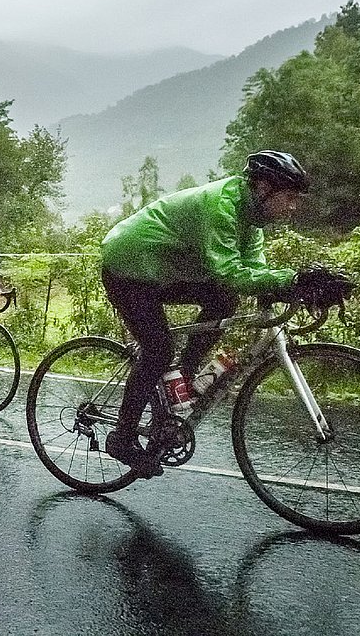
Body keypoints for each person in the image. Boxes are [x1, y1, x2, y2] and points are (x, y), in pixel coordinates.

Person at [99, 150, 310, 477]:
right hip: (129, 265)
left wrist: (297, 286)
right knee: (158, 351)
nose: (294, 207)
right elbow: (229, 272)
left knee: (225, 300)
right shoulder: (221, 205)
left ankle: (183, 375)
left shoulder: (251, 222)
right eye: (289, 197)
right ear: (264, 187)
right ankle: (123, 438)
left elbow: (252, 272)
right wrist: (292, 278)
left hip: (165, 269)